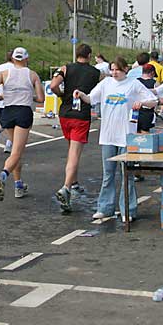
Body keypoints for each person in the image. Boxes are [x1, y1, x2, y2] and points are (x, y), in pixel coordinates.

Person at [73, 56, 157, 222]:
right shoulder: (106, 84)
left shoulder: (133, 84)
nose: (114, 72)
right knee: (108, 174)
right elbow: (91, 99)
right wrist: (81, 94)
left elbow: (153, 101)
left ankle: (128, 209)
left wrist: (142, 103)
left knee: (127, 174)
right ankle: (105, 208)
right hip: (108, 136)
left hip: (126, 136)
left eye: (117, 69)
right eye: (112, 69)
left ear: (125, 69)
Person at [0, 47, 45, 201]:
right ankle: (3, 175)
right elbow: (41, 98)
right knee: (16, 153)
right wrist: (29, 96)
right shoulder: (32, 75)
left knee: (15, 151)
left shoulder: (4, 73)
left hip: (8, 112)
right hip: (23, 112)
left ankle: (18, 185)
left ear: (13, 59)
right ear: (26, 59)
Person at [50, 44, 100, 212]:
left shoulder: (66, 68)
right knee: (74, 154)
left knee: (71, 148)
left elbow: (52, 85)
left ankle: (74, 181)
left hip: (65, 113)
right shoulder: (95, 72)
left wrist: (61, 94)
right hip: (81, 116)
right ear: (89, 55)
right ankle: (66, 187)